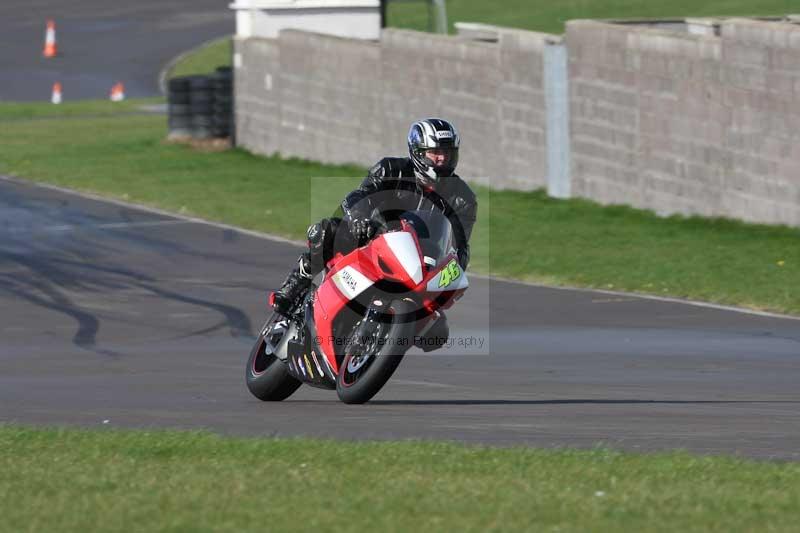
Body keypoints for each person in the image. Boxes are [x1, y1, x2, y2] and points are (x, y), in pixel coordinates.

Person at [273, 118, 477, 351]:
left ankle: (386, 340)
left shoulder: (464, 198)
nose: (442, 159)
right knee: (326, 230)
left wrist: (454, 271)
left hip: (420, 264)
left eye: (447, 153)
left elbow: (460, 245)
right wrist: (359, 218)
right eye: (435, 152)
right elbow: (359, 196)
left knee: (438, 332)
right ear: (418, 153)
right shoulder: (390, 168)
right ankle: (294, 287)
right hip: (373, 237)